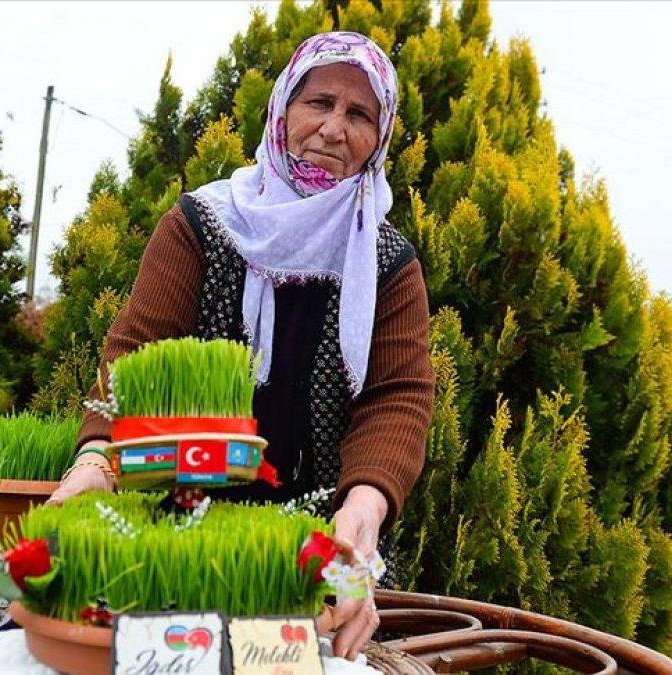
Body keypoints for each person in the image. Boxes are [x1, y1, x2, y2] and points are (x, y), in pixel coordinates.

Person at [48, 31, 434, 660]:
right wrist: (96, 462)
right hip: (176, 531)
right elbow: (132, 354)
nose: (334, 129)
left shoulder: (386, 261)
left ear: (379, 139)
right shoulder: (204, 225)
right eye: (320, 103)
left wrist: (363, 514)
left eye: (359, 114)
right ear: (282, 110)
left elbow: (397, 399)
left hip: (313, 548)